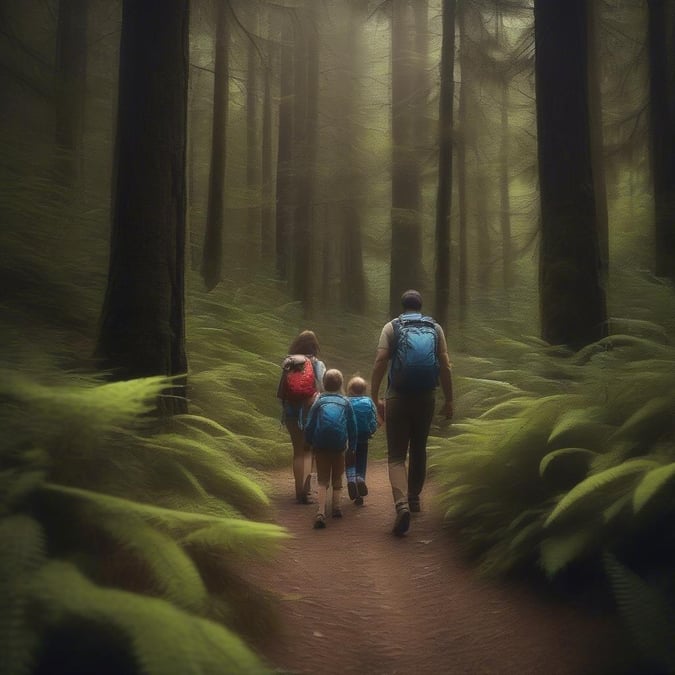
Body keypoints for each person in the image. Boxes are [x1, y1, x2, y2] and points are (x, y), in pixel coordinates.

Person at [370, 289, 453, 536]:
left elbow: (380, 361)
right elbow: (445, 366)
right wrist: (449, 399)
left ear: (402, 305)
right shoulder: (435, 329)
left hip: (397, 396)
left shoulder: (391, 327)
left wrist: (374, 396)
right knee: (419, 448)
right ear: (421, 305)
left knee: (396, 454)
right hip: (426, 397)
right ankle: (415, 497)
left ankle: (401, 504)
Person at [304, 369, 357, 529]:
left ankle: (321, 511)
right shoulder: (346, 402)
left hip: (320, 445)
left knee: (322, 479)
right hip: (339, 446)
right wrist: (352, 446)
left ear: (324, 384)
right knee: (337, 478)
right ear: (341, 384)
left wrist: (308, 441)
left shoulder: (318, 401)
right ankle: (336, 507)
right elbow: (352, 426)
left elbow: (310, 423)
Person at [277, 330, 326, 504]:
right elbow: (322, 388)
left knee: (297, 451)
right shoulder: (317, 364)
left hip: (290, 410)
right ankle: (306, 490)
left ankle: (298, 491)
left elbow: (281, 391)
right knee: (308, 451)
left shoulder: (288, 363)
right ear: (315, 346)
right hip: (310, 410)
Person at [346, 376, 378, 506]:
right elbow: (373, 419)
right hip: (364, 436)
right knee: (362, 460)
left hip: (349, 437)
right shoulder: (368, 401)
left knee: (349, 460)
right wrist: (371, 430)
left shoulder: (346, 401)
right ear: (364, 390)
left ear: (350, 390)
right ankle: (360, 478)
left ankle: (351, 479)